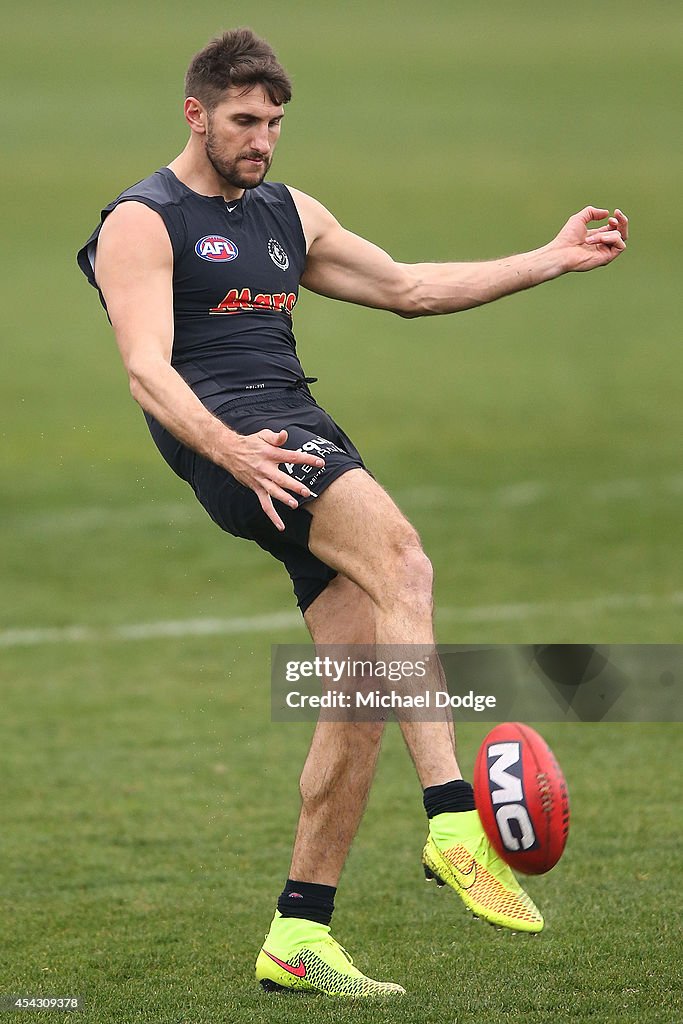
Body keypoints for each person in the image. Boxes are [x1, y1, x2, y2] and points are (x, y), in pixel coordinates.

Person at [77, 28, 628, 998]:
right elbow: (144, 365)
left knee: (361, 685)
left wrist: (548, 258)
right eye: (244, 121)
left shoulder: (287, 212)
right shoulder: (143, 218)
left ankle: (299, 932)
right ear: (195, 113)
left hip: (291, 422)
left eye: (275, 123)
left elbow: (407, 287)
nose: (262, 140)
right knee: (404, 560)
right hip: (242, 440)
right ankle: (452, 819)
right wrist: (226, 447)